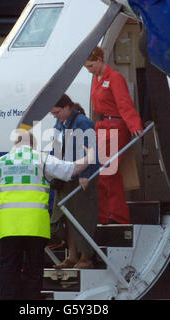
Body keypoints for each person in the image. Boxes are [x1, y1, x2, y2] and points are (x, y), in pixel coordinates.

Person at [0, 130, 95, 300]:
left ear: (15, 144)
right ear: (34, 144)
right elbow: (71, 169)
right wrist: (89, 157)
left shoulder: (0, 162)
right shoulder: (41, 159)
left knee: (9, 271)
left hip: (8, 228)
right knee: (33, 271)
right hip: (35, 227)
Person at [84, 46, 144, 224]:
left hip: (115, 128)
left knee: (107, 173)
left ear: (100, 60)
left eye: (91, 66)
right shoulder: (97, 78)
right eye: (87, 67)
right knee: (105, 173)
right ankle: (109, 215)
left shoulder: (115, 78)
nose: (89, 70)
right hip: (102, 128)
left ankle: (114, 216)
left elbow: (125, 103)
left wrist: (134, 126)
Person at [49, 94, 99, 269]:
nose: (55, 116)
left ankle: (86, 257)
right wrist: (51, 170)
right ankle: (72, 256)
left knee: (83, 216)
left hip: (82, 176)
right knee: (66, 216)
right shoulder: (59, 123)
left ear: (67, 107)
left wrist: (85, 174)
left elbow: (90, 150)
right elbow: (55, 148)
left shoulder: (83, 122)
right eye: (53, 114)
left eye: (56, 112)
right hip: (66, 174)